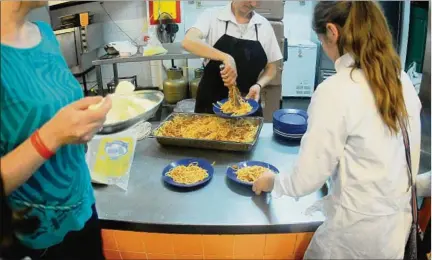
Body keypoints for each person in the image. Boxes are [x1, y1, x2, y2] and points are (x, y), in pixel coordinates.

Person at [253, 1, 422, 259]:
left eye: (321, 40)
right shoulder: (402, 80)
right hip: (394, 237)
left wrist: (272, 182)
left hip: (352, 242)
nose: (324, 47)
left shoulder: (336, 90)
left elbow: (306, 180)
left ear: (333, 32)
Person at [0, 1, 111, 259]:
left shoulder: (45, 34)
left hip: (83, 211)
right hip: (34, 237)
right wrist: (54, 135)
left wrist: (83, 123)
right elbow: (52, 130)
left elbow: (58, 107)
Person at [182, 0, 283, 116]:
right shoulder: (212, 16)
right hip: (210, 104)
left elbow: (272, 68)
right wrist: (226, 57)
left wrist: (259, 85)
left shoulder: (263, 26)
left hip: (246, 104)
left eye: (258, 1)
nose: (253, 4)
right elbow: (188, 41)